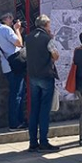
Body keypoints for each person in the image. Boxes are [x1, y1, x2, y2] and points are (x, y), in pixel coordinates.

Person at [25, 14, 61, 153]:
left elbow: (25, 54)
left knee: (34, 109)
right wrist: (51, 39)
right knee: (44, 110)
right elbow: (55, 56)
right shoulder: (47, 38)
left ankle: (33, 142)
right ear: (46, 25)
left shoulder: (28, 37)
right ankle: (44, 141)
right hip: (46, 75)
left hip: (33, 76)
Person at [0, 13, 26, 131]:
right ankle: (16, 122)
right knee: (17, 94)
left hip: (6, 65)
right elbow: (19, 43)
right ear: (5, 19)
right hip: (15, 66)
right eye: (11, 18)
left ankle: (17, 121)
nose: (12, 21)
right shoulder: (7, 29)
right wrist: (17, 30)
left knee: (15, 94)